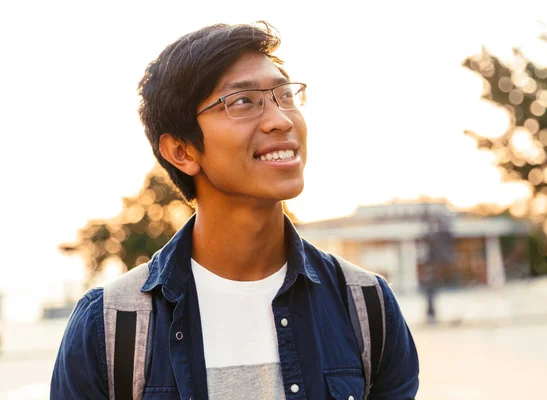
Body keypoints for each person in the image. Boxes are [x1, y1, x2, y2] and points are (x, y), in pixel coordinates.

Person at [51, 21, 419, 399]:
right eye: (242, 101)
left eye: (285, 94)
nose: (281, 119)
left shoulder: (366, 306)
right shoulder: (111, 327)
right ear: (182, 151)